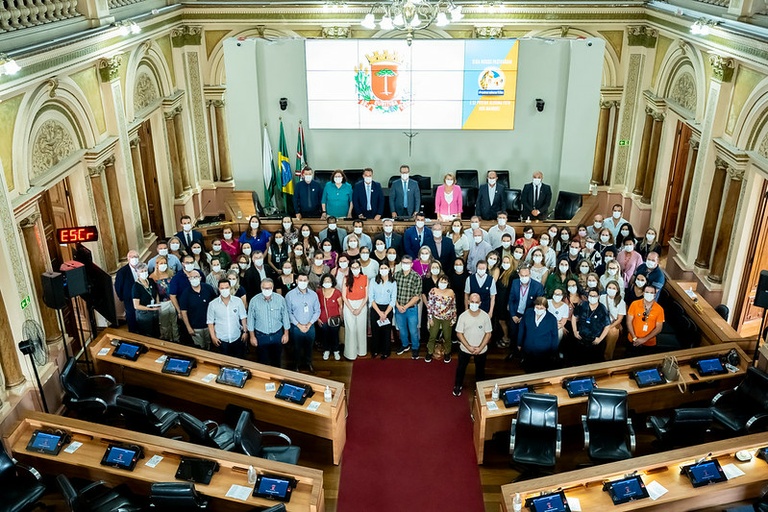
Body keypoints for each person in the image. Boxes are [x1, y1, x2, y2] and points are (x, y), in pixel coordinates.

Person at [453, 293, 493, 396]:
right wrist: (469, 347)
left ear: (480, 303)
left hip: (481, 350)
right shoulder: (463, 316)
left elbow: (488, 334)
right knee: (461, 368)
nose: (474, 304)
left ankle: (479, 388)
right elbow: (459, 333)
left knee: (480, 370)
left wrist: (480, 348)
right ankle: (458, 385)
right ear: (468, 302)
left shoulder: (485, 317)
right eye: (472, 302)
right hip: (465, 349)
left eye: (476, 302)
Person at [247, 279, 290, 368]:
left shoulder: (280, 299)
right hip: (261, 336)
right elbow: (250, 320)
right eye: (264, 288)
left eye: (269, 288)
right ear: (261, 288)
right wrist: (252, 336)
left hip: (277, 335)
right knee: (262, 362)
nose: (267, 290)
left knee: (277, 361)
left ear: (273, 288)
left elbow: (285, 317)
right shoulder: (254, 301)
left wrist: (286, 334)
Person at [506, 265, 545, 360]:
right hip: (516, 313)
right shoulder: (515, 283)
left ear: (530, 274)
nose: (524, 277)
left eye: (526, 275)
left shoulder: (537, 286)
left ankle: (524, 355)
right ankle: (513, 353)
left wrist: (526, 316)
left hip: (529, 315)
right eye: (522, 275)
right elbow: (511, 300)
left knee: (526, 335)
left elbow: (538, 304)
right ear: (519, 274)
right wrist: (513, 315)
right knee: (513, 333)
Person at [286, 274, 321, 373]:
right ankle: (296, 364)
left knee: (309, 346)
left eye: (304, 280)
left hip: (310, 326)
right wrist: (299, 325)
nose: (302, 282)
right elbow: (288, 312)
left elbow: (317, 311)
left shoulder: (313, 295)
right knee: (296, 347)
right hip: (296, 326)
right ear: (296, 281)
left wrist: (309, 324)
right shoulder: (290, 295)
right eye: (300, 280)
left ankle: (308, 363)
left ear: (308, 281)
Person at [569, 287, 612, 365]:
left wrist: (600, 338)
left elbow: (607, 325)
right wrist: (575, 331)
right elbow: (574, 316)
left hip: (594, 341)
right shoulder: (582, 305)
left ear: (598, 297)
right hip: (581, 338)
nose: (592, 298)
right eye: (591, 296)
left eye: (594, 296)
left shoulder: (602, 309)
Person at [207, 279, 248, 357]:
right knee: (224, 363)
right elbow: (210, 322)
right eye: (222, 288)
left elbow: (243, 317)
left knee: (239, 361)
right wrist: (213, 337)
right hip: (221, 340)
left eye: (227, 288)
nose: (224, 290)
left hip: (236, 338)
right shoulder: (212, 304)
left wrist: (245, 332)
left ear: (230, 288)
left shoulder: (238, 301)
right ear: (218, 289)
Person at [518, 297, 560, 372]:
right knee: (528, 370)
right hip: (528, 349)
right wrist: (519, 343)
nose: (539, 310)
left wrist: (554, 352)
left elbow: (555, 336)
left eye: (541, 308)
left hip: (544, 352)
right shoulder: (528, 313)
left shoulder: (552, 319)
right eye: (537, 307)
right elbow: (522, 328)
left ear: (546, 308)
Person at [179, 269, 217, 350]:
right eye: (192, 277)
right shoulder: (185, 293)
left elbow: (216, 304)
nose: (194, 279)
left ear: (200, 278)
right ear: (189, 279)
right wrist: (188, 327)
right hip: (195, 327)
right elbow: (183, 312)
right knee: (200, 347)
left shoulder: (208, 288)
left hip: (209, 325)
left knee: (210, 346)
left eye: (196, 277)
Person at [394, 255, 423, 359]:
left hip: (411, 309)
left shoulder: (416, 277)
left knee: (413, 330)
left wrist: (405, 306)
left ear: (411, 264)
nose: (405, 265)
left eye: (407, 263)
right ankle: (405, 345)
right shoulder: (396, 275)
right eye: (403, 263)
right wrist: (397, 305)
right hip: (398, 308)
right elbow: (393, 293)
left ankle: (415, 347)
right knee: (402, 329)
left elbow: (416, 296)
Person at [626, 284, 665, 356]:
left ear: (655, 295)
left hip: (649, 343)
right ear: (643, 293)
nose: (649, 294)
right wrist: (635, 338)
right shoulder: (634, 304)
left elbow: (659, 328)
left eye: (651, 293)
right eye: (647, 292)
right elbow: (629, 322)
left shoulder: (659, 309)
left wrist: (644, 339)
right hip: (633, 340)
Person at [425, 273, 456, 363]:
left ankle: (447, 353)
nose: (443, 283)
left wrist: (454, 319)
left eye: (445, 282)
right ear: (438, 282)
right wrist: (430, 318)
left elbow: (453, 306)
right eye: (441, 282)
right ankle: (430, 352)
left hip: (447, 317)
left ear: (448, 283)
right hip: (435, 317)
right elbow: (430, 305)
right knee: (432, 336)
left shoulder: (451, 292)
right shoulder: (433, 291)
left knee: (447, 337)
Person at [342, 260, 369, 360]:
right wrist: (352, 309)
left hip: (361, 304)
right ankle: (350, 353)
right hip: (349, 305)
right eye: (353, 267)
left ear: (360, 268)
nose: (355, 269)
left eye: (357, 267)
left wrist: (360, 308)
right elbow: (344, 296)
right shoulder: (346, 279)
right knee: (351, 329)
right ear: (350, 268)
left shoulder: (365, 278)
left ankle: (361, 351)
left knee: (361, 328)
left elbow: (366, 297)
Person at [369, 265, 396, 359]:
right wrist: (380, 313)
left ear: (389, 269)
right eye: (382, 268)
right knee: (375, 330)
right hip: (375, 308)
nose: (383, 270)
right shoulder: (373, 281)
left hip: (387, 308)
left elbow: (393, 299)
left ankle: (386, 351)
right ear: (379, 270)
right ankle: (375, 350)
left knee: (386, 331)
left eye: (385, 268)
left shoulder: (393, 282)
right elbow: (371, 298)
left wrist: (385, 313)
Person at [150, 255, 179, 342]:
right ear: (157, 265)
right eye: (161, 263)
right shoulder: (152, 277)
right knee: (164, 324)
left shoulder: (171, 274)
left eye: (165, 263)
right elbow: (154, 292)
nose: (163, 265)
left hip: (172, 300)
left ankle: (176, 340)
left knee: (174, 322)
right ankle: (167, 340)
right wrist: (158, 304)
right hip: (162, 303)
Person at [317, 273, 343, 360]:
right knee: (325, 335)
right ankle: (326, 350)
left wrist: (341, 317)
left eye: (329, 281)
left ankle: (336, 351)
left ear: (332, 282)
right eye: (325, 281)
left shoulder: (337, 292)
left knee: (335, 335)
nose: (327, 282)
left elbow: (340, 306)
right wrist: (318, 318)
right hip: (322, 318)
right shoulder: (319, 292)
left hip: (334, 319)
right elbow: (316, 306)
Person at [115, 250, 141, 332]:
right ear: (128, 258)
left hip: (142, 299)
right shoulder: (122, 272)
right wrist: (123, 297)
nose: (134, 259)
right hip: (130, 300)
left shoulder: (142, 268)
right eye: (132, 257)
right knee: (132, 320)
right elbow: (118, 287)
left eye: (136, 257)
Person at [600, 280, 626, 360]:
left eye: (613, 288)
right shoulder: (601, 298)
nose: (611, 289)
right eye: (609, 287)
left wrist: (609, 327)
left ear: (617, 290)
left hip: (612, 324)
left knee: (613, 332)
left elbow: (619, 319)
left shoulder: (621, 302)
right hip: (601, 322)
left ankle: (607, 357)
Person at [132, 263, 160, 337]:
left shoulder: (150, 281)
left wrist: (157, 303)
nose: (144, 273)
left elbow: (156, 293)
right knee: (147, 334)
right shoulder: (136, 287)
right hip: (144, 314)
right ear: (137, 273)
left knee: (156, 332)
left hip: (154, 311)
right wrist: (149, 309)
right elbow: (136, 306)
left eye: (145, 271)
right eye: (142, 271)